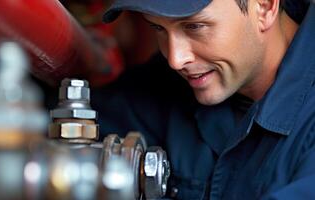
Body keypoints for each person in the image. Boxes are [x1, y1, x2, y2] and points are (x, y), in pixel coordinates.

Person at [88, 0, 315, 199]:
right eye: (158, 27)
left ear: (265, 8)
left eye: (194, 26)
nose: (176, 60)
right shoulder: (166, 83)